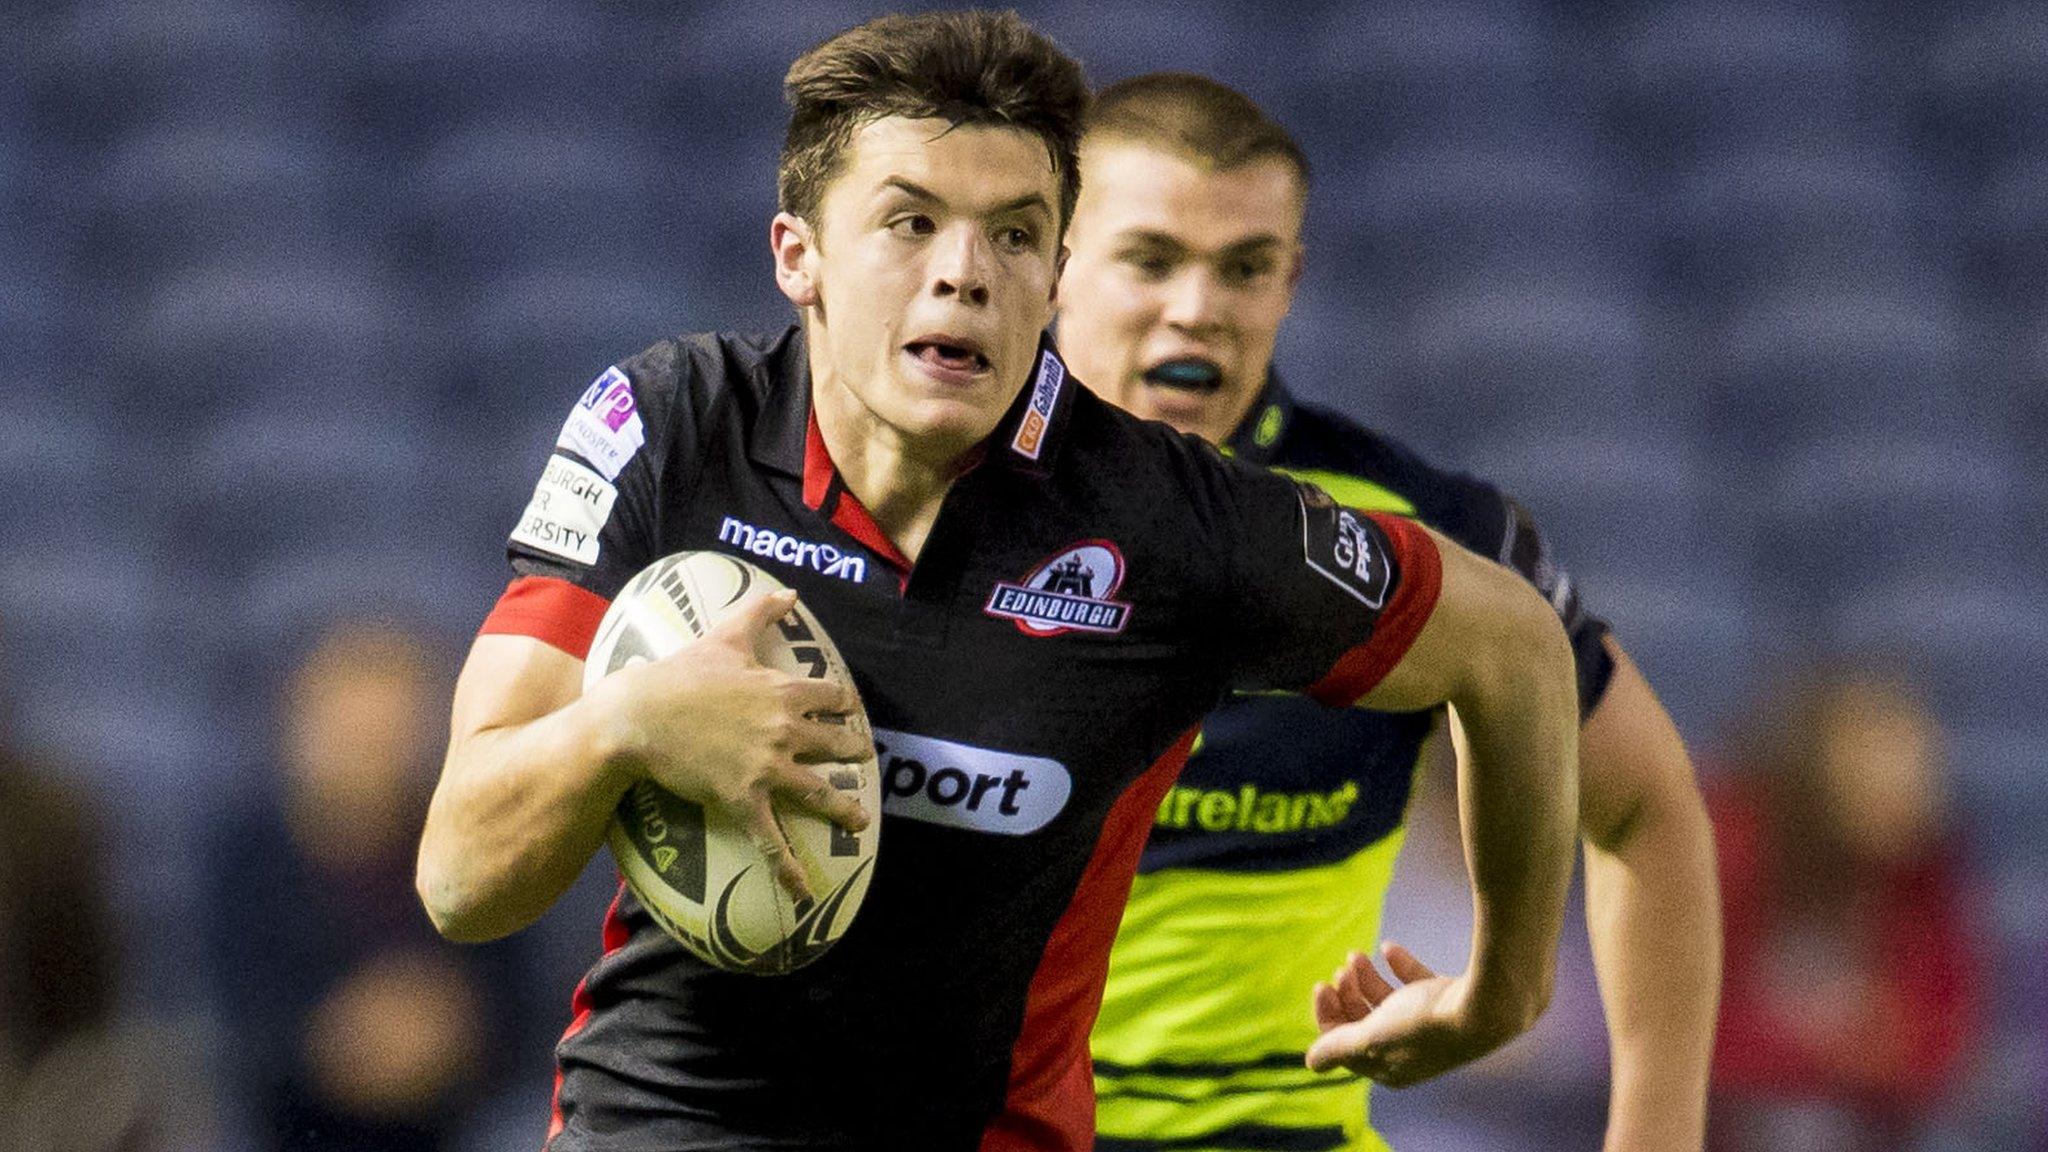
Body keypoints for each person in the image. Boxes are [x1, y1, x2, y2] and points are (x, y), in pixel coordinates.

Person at [415, 13, 1584, 1151]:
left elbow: (1513, 647)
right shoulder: (674, 427)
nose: (963, 274)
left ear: (1055, 274)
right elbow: (463, 881)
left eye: (1015, 235)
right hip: (659, 1122)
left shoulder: (1169, 523)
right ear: (798, 256)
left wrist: (1502, 992)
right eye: (910, 223)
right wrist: (629, 725)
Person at [1054, 74, 1721, 1152]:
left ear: (1290, 282)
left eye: (1244, 267)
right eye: (1149, 257)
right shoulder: (923, 500)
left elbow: (1644, 807)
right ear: (1049, 262)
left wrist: (1654, 1135)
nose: (1198, 308)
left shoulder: (1418, 530)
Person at [209, 621, 515, 1152]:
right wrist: (345, 1043)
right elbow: (236, 1032)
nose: (372, 756)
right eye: (352, 735)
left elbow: (513, 1013)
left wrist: (447, 1035)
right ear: (300, 731)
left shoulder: (473, 847)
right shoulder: (247, 861)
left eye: (389, 736)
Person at [1710, 667, 1983, 1151]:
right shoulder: (1730, 841)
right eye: (1876, 761)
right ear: (1818, 767)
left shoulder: (1923, 866)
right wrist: (1845, 1043)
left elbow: (1940, 1046)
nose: (1904, 783)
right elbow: (1681, 1034)